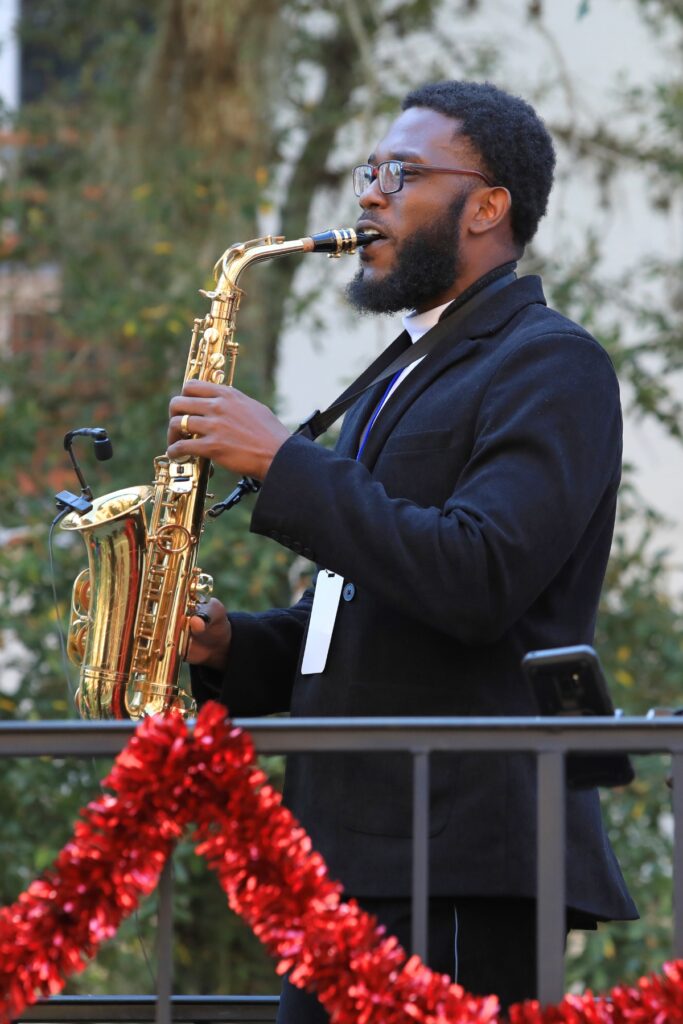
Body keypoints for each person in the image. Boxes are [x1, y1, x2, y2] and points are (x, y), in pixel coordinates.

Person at [167, 80, 637, 1018]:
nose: (368, 194)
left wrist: (284, 463)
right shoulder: (404, 369)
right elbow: (357, 611)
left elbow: (477, 575)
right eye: (367, 171)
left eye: (400, 172)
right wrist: (232, 645)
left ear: (487, 206)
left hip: (456, 849)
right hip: (354, 851)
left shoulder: (550, 361)